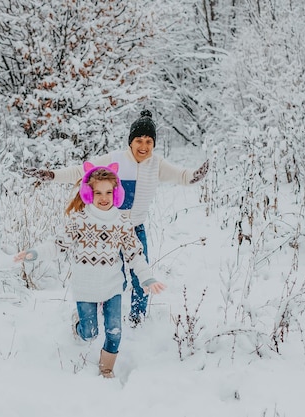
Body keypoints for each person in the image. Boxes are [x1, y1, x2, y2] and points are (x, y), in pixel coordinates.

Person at [26, 110, 209, 326]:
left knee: (142, 276)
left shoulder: (156, 164)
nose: (143, 146)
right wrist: (52, 175)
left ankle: (137, 319)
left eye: (149, 141)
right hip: (110, 229)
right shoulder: (115, 160)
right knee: (113, 279)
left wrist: (196, 175)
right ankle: (99, 315)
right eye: (139, 140)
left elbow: (181, 175)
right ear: (130, 142)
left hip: (135, 229)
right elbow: (79, 172)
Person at [15, 162, 166, 378]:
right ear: (88, 193)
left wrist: (147, 278)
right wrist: (35, 253)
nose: (103, 198)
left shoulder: (122, 223)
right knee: (90, 333)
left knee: (114, 332)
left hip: (112, 285)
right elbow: (58, 245)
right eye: (98, 192)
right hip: (85, 287)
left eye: (108, 192)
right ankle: (79, 325)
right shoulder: (79, 221)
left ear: (116, 194)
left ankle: (106, 369)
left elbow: (135, 255)